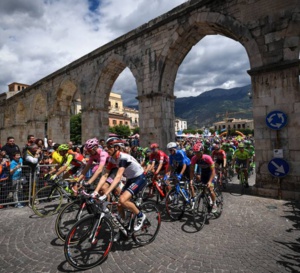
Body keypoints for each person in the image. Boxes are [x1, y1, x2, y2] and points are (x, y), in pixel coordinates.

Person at [93, 138, 147, 237]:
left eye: (109, 147)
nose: (106, 149)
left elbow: (118, 177)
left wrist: (106, 194)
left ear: (116, 147)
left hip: (139, 178)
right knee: (119, 204)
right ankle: (124, 223)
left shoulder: (123, 158)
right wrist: (95, 191)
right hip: (130, 179)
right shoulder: (112, 159)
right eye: (106, 147)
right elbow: (105, 175)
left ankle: (141, 216)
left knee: (122, 200)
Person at [189, 143, 217, 213]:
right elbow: (192, 171)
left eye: (198, 152)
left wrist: (210, 181)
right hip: (204, 173)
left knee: (210, 189)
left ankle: (214, 203)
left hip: (210, 173)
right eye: (195, 152)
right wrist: (191, 180)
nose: (196, 154)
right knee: (203, 189)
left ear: (202, 151)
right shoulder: (194, 158)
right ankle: (208, 198)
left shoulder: (207, 158)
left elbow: (213, 170)